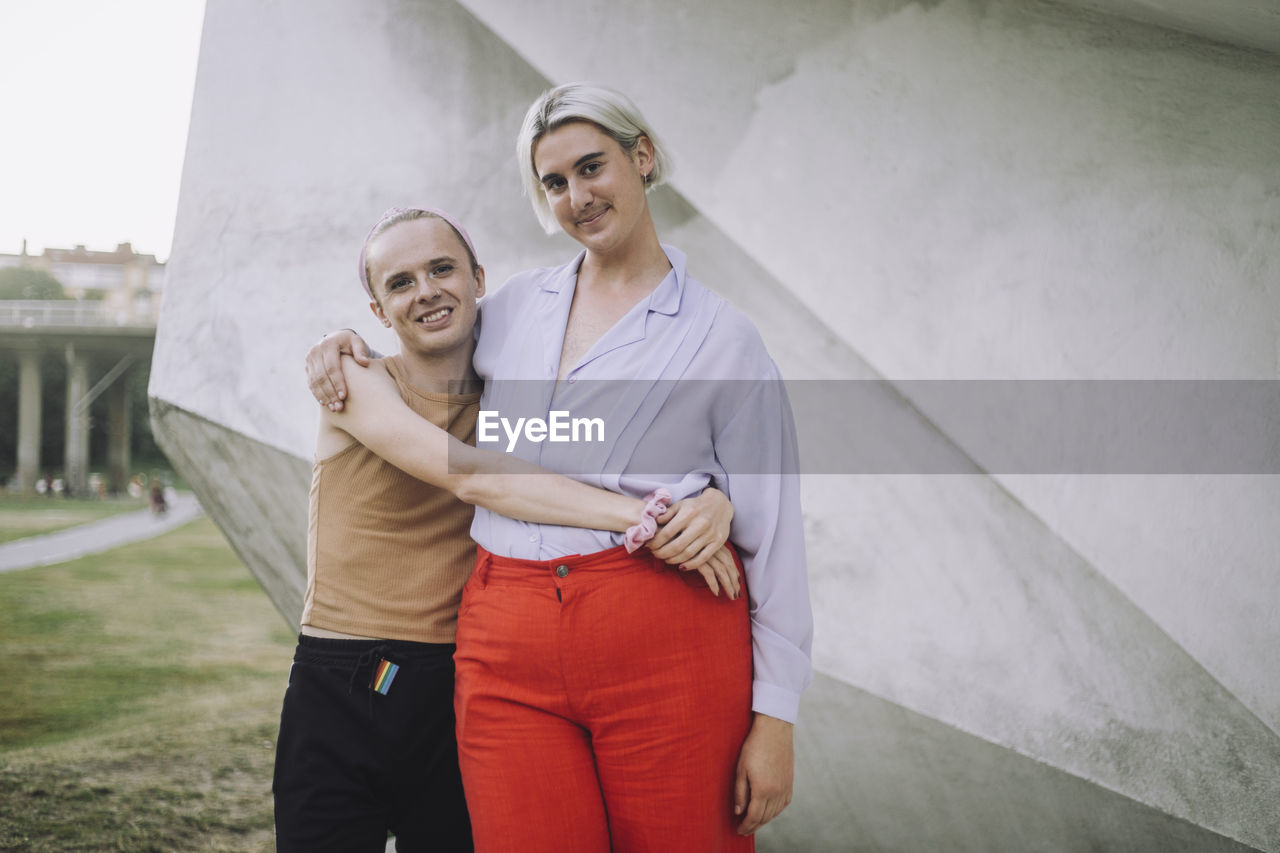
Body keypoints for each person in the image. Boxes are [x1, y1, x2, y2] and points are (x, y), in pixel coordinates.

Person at [310, 84, 813, 852]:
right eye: (554, 182)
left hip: (664, 631)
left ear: (641, 157)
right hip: (505, 638)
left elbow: (775, 539)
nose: (577, 196)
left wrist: (774, 718)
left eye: (592, 167)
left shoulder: (724, 340)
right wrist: (341, 340)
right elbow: (421, 343)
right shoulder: (510, 309)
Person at [279, 207, 739, 853]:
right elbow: (472, 477)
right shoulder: (357, 381)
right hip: (353, 674)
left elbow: (630, 456)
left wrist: (711, 496)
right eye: (400, 283)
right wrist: (650, 521)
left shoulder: (514, 398)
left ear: (478, 279)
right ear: (379, 311)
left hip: (460, 675)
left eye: (442, 269)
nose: (427, 290)